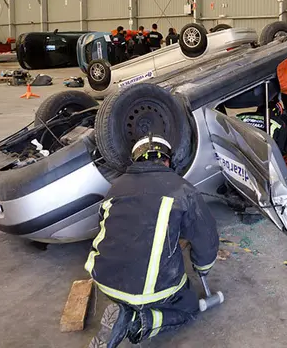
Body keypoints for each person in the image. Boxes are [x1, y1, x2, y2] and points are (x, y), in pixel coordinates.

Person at [86, 135, 219, 347]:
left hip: (104, 280)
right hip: (148, 289)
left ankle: (124, 308)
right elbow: (206, 238)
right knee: (189, 305)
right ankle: (136, 321)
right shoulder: (182, 188)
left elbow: (106, 225)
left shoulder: (115, 187)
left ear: (135, 160)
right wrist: (203, 267)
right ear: (167, 161)